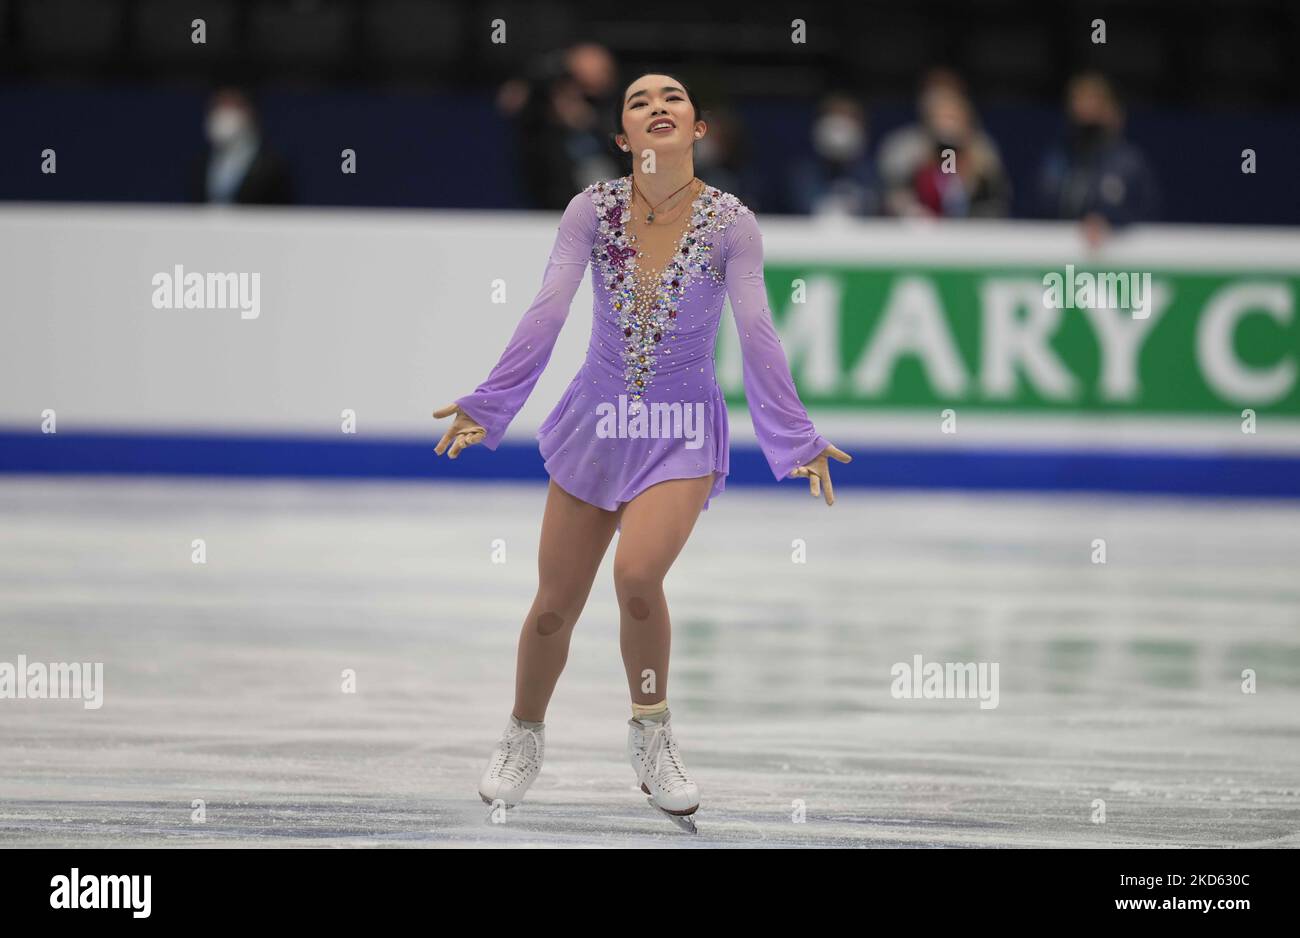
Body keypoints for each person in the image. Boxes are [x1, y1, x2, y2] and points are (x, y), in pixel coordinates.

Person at [434, 71, 850, 826]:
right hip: (597, 425)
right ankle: (523, 733)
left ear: (697, 129)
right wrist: (491, 402)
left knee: (636, 574)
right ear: (623, 137)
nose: (658, 105)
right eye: (639, 101)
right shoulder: (588, 212)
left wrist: (793, 433)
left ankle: (651, 733)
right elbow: (548, 311)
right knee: (555, 607)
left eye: (674, 99)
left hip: (680, 434)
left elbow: (757, 333)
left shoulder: (733, 224)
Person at [1036, 72, 1158, 246]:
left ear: (1109, 110)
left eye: (1092, 101)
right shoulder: (1058, 159)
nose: (1084, 109)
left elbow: (1145, 210)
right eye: (1078, 101)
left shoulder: (1128, 162)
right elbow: (1041, 206)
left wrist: (1109, 219)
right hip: (1058, 253)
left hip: (1114, 262)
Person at [877, 68, 1009, 218]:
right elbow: (890, 192)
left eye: (952, 116)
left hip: (970, 229)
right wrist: (925, 165)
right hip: (916, 228)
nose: (946, 124)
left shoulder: (980, 147)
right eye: (940, 116)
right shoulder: (905, 145)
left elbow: (996, 196)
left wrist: (969, 169)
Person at [788, 92, 883, 217]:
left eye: (848, 118)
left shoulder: (873, 173)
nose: (839, 127)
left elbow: (870, 208)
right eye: (833, 117)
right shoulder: (802, 172)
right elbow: (807, 207)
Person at [193, 87, 293, 205]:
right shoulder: (201, 162)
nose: (223, 114)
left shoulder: (271, 164)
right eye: (218, 106)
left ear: (249, 112)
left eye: (230, 106)